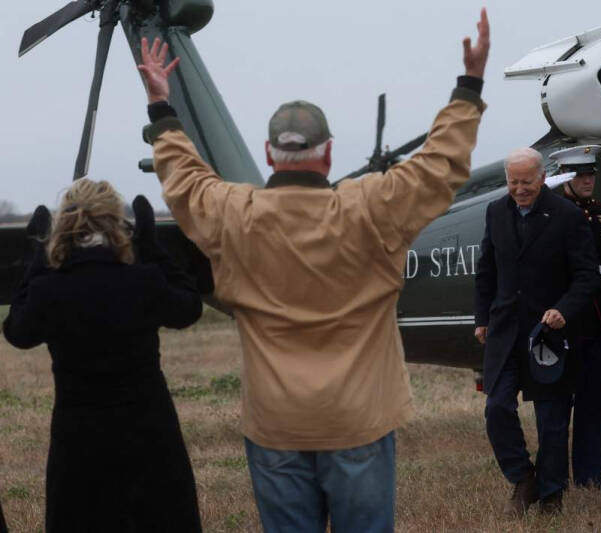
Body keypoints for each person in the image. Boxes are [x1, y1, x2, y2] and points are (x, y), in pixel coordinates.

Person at [135, 9, 489, 531]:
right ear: (327, 155)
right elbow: (440, 165)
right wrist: (468, 86)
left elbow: (184, 181)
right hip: (360, 423)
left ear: (268, 156)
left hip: (276, 426)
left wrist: (161, 107)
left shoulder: (234, 213)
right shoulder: (371, 207)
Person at [2, 180, 203, 530]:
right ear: (115, 223)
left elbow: (17, 331)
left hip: (78, 437)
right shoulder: (143, 280)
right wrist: (153, 248)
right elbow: (188, 307)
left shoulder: (49, 291)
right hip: (150, 432)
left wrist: (36, 261)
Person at [474, 147, 600, 516]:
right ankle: (523, 478)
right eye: (513, 182)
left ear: (542, 176)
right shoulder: (496, 212)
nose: (519, 189)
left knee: (552, 420)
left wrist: (563, 309)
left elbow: (587, 276)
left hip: (548, 334)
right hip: (505, 331)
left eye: (526, 181)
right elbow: (487, 271)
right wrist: (482, 318)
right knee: (496, 408)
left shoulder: (567, 216)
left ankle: (551, 495)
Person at [550, 145, 601, 488]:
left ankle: (591, 475)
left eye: (591, 173)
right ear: (565, 176)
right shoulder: (552, 215)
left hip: (597, 319)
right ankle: (554, 476)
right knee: (559, 403)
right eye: (580, 174)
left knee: (595, 402)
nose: (587, 179)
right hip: (564, 318)